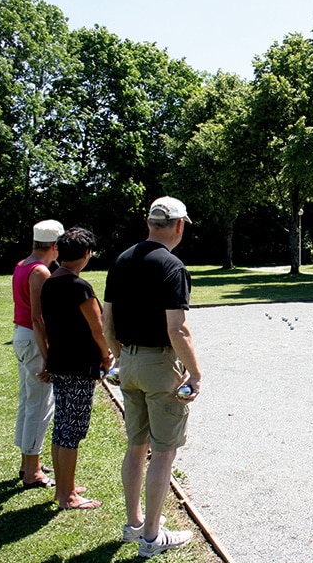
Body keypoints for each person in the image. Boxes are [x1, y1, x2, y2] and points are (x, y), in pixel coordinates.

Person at [103, 197, 200, 558]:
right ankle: (151, 538)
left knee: (136, 445)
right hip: (159, 365)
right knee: (163, 452)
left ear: (149, 222)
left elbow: (106, 320)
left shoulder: (122, 260)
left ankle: (134, 525)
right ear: (178, 225)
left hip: (127, 361)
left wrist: (118, 353)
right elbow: (178, 330)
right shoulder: (172, 266)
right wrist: (195, 372)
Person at [41, 227, 113, 510]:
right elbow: (98, 329)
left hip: (58, 362)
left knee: (62, 428)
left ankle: (64, 487)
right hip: (78, 366)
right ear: (86, 254)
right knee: (72, 431)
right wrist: (107, 356)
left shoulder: (50, 282)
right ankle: (67, 496)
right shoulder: (79, 287)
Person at [12, 219, 64, 489]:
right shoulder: (40, 271)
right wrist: (48, 355)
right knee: (40, 405)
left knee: (28, 400)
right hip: (34, 338)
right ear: (54, 246)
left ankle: (28, 461)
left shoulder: (22, 265)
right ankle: (32, 471)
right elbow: (39, 317)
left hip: (21, 335)